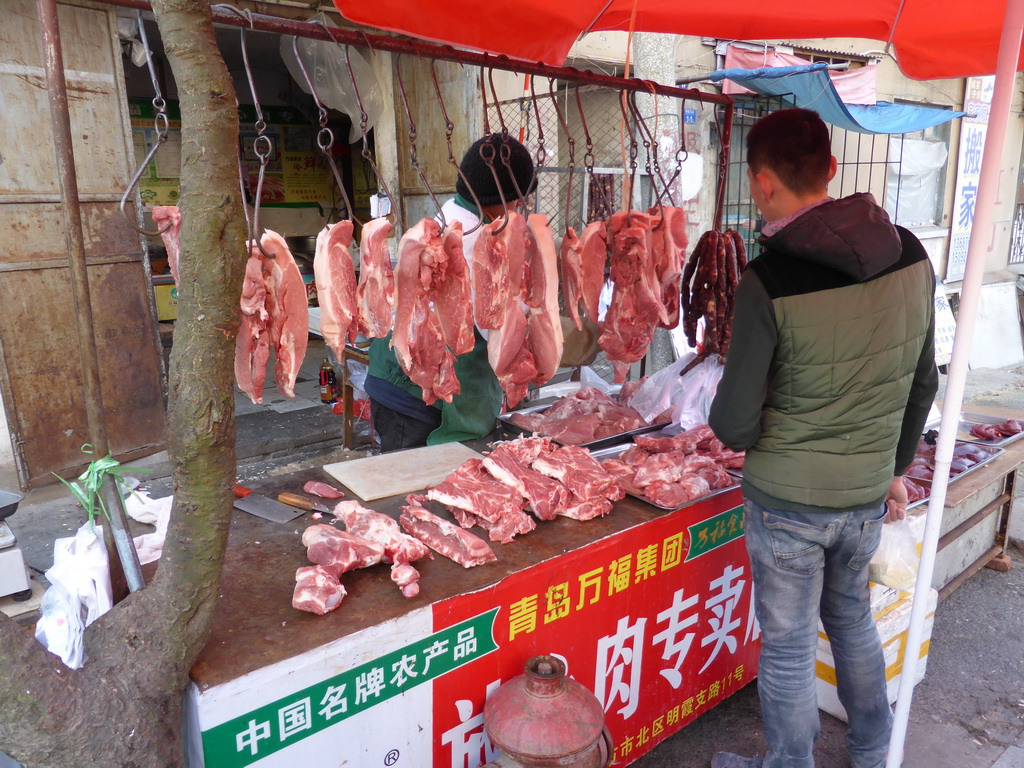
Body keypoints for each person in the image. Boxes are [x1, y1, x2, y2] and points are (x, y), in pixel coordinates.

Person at [707, 108, 938, 768]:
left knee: (786, 647)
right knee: (851, 620)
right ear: (833, 170)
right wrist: (892, 467)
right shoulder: (913, 255)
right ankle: (873, 751)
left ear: (761, 184)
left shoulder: (767, 283)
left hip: (786, 507)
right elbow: (924, 383)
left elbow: (732, 425)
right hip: (866, 493)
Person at [365, 134, 603, 452]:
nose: (521, 205)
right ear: (500, 198)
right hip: (412, 392)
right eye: (518, 198)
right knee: (418, 483)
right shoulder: (469, 238)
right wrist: (574, 338)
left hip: (419, 379)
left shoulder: (460, 211)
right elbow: (499, 329)